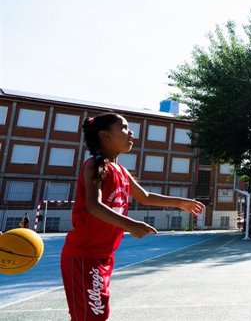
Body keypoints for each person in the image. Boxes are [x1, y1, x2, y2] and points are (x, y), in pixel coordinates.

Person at [61, 113, 205, 321]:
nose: (131, 132)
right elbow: (94, 206)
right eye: (124, 127)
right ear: (104, 135)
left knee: (98, 314)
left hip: (104, 255)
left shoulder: (121, 170)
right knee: (93, 316)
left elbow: (145, 197)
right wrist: (131, 224)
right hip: (83, 256)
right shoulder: (94, 166)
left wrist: (179, 202)